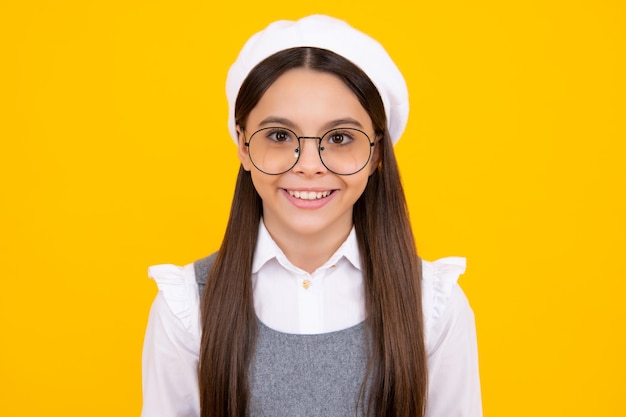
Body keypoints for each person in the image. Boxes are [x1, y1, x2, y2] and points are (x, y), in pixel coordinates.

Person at [141, 14, 482, 417]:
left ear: (376, 153)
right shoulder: (186, 307)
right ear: (243, 147)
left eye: (339, 138)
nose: (308, 165)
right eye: (280, 136)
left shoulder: (435, 306)